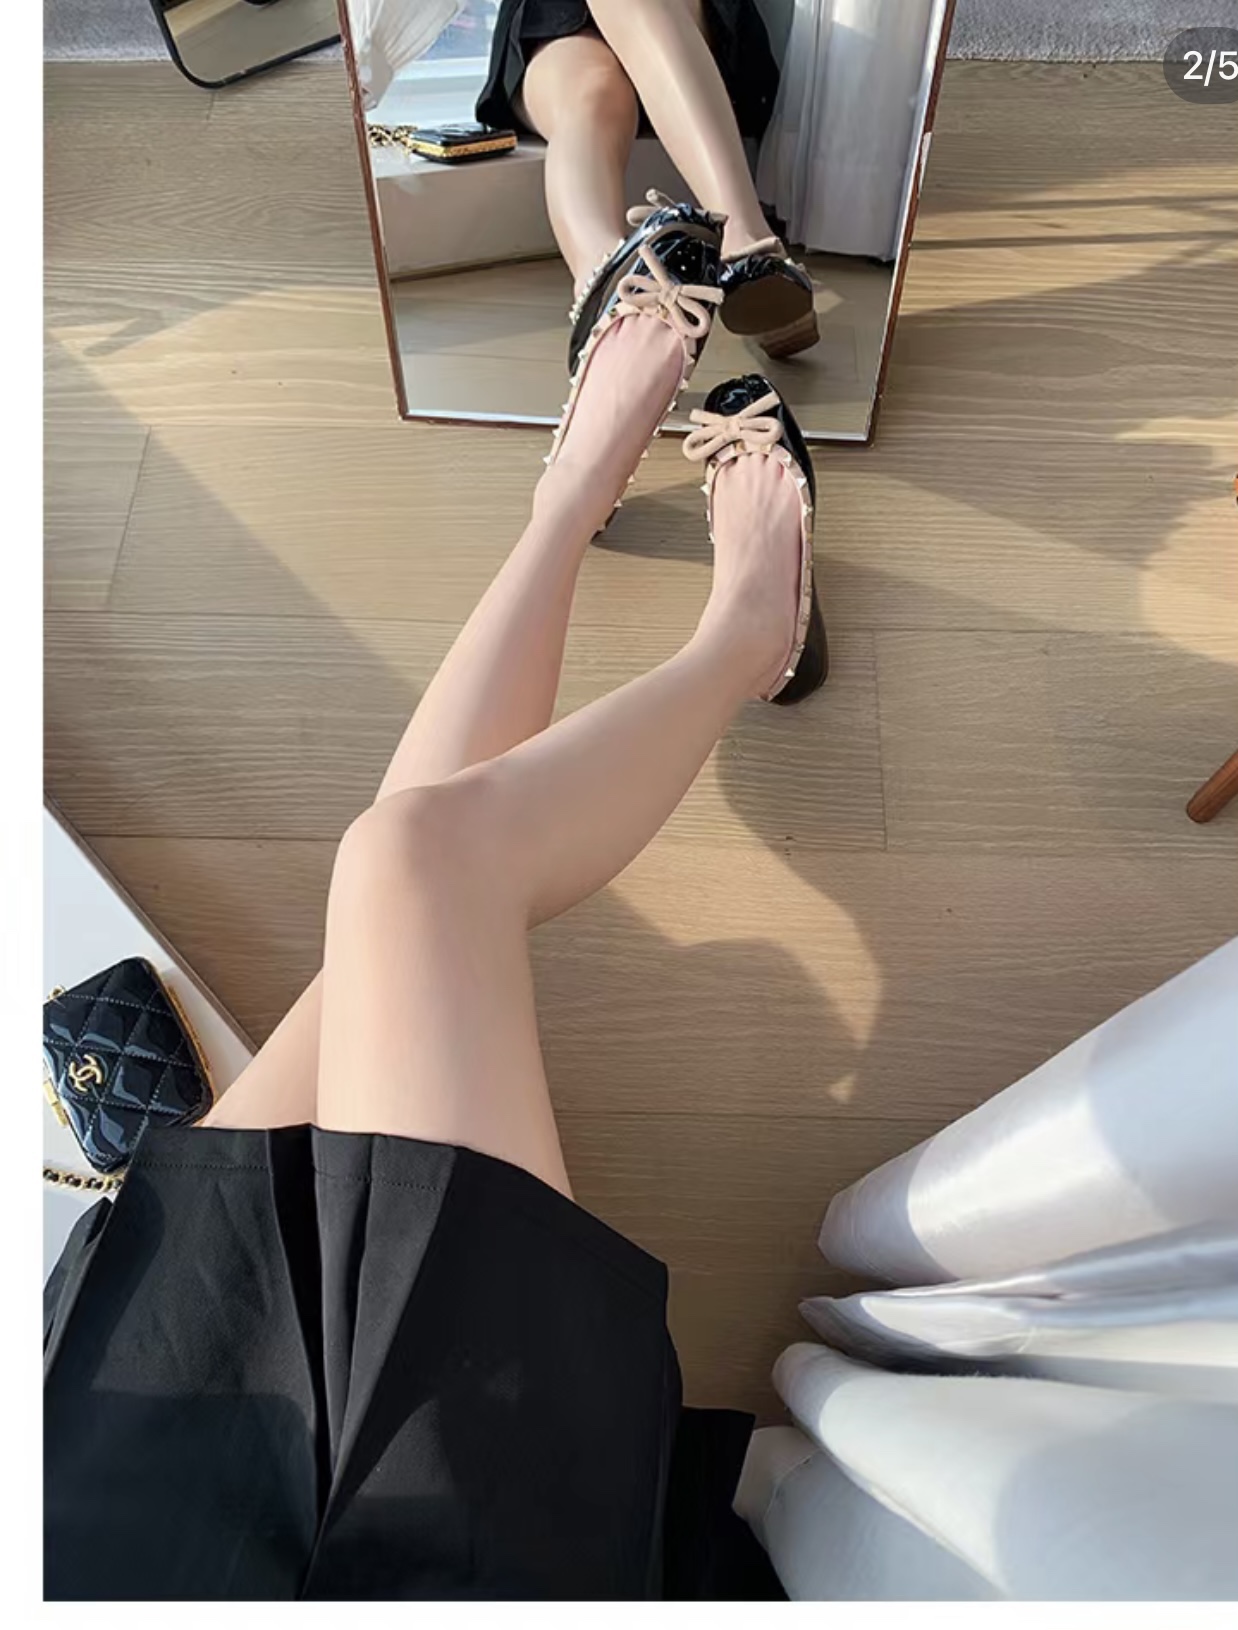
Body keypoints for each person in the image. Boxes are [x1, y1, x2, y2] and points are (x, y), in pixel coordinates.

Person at [44, 214, 827, 1599]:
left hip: (109, 1466)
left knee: (389, 910)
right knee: (410, 869)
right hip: (430, 1554)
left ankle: (571, 501)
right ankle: (740, 629)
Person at [476, 0, 820, 358]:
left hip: (683, 24)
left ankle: (745, 240)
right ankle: (609, 285)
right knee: (593, 90)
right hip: (554, 23)